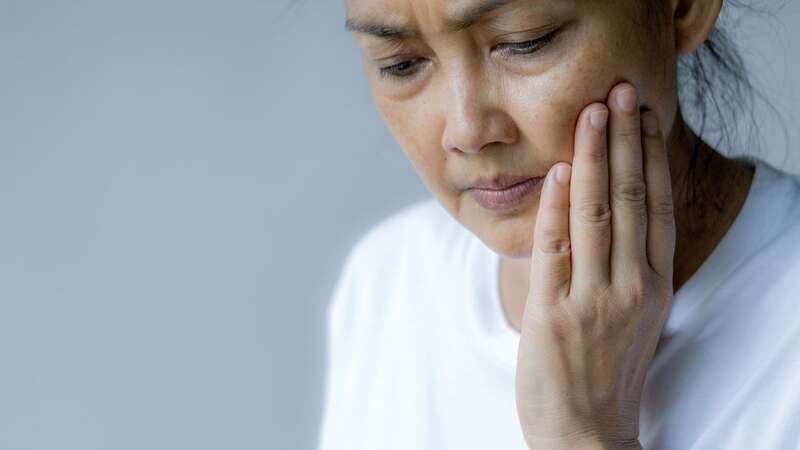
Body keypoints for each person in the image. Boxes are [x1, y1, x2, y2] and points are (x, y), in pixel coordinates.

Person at [318, 0, 800, 448]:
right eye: (399, 64)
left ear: (684, 7)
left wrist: (582, 432)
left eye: (524, 40)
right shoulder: (387, 279)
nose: (466, 130)